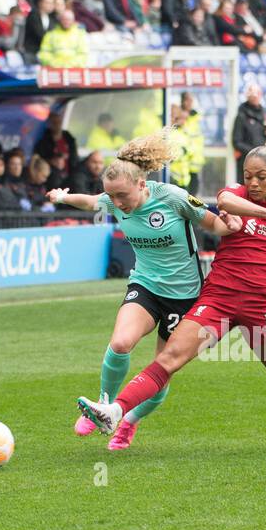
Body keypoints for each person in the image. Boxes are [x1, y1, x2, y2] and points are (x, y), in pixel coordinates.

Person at [76, 139, 266, 449]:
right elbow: (226, 204)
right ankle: (115, 410)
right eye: (248, 176)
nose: (253, 182)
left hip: (263, 306)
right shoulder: (236, 194)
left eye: (261, 176)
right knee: (170, 358)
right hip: (218, 299)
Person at [50, 132, 241, 450]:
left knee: (161, 371)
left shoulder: (172, 198)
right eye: (113, 197)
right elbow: (89, 201)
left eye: (122, 196)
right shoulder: (113, 199)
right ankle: (103, 405)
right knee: (121, 342)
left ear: (141, 184)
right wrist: (61, 198)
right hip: (146, 285)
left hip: (184, 296)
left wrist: (229, 226)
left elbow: (212, 223)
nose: (118, 203)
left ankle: (129, 422)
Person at [232, 84, 266, 164]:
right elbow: (237, 142)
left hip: (263, 160)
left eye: (258, 94)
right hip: (247, 161)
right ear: (248, 96)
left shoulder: (264, 114)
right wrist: (254, 152)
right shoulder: (241, 116)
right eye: (253, 94)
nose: (255, 96)